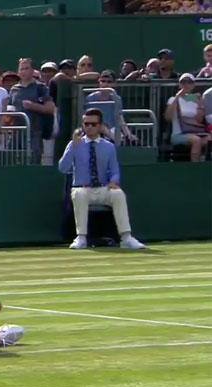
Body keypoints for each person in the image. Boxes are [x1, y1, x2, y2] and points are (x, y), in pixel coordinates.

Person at [58, 108, 146, 250]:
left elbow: (115, 170)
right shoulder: (74, 144)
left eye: (93, 124)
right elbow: (62, 168)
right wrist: (73, 147)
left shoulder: (109, 147)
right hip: (82, 188)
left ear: (100, 126)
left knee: (118, 194)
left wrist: (114, 181)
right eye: (86, 124)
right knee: (79, 194)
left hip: (103, 188)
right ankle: (81, 238)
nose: (89, 127)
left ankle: (126, 237)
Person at [9, 58, 56, 163]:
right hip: (16, 134)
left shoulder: (41, 88)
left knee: (33, 162)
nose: (24, 71)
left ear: (32, 70)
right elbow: (9, 109)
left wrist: (33, 106)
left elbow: (50, 108)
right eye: (21, 69)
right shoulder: (14, 89)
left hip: (35, 133)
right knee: (12, 162)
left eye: (26, 68)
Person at [84, 70, 136, 145]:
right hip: (95, 128)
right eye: (103, 81)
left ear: (114, 84)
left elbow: (120, 118)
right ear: (99, 82)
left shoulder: (117, 99)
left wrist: (128, 134)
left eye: (109, 82)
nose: (105, 84)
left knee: (124, 138)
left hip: (112, 129)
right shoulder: (90, 98)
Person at [166, 74, 208, 162]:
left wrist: (200, 103)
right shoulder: (172, 99)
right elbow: (168, 117)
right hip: (178, 134)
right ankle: (195, 167)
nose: (186, 84)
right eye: (183, 82)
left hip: (197, 133)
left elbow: (199, 120)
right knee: (197, 140)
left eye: (189, 82)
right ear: (179, 85)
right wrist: (178, 96)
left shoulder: (196, 101)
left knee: (203, 139)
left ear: (193, 85)